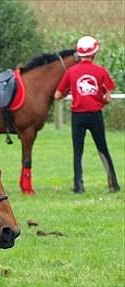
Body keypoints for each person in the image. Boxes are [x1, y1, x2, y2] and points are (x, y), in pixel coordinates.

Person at [54, 35, 119, 193]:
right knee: (102, 148)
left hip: (78, 116)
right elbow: (108, 96)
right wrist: (100, 101)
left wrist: (69, 92)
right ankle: (113, 183)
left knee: (78, 152)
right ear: (94, 53)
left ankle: (79, 186)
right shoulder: (100, 71)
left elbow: (57, 95)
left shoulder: (71, 72)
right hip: (95, 115)